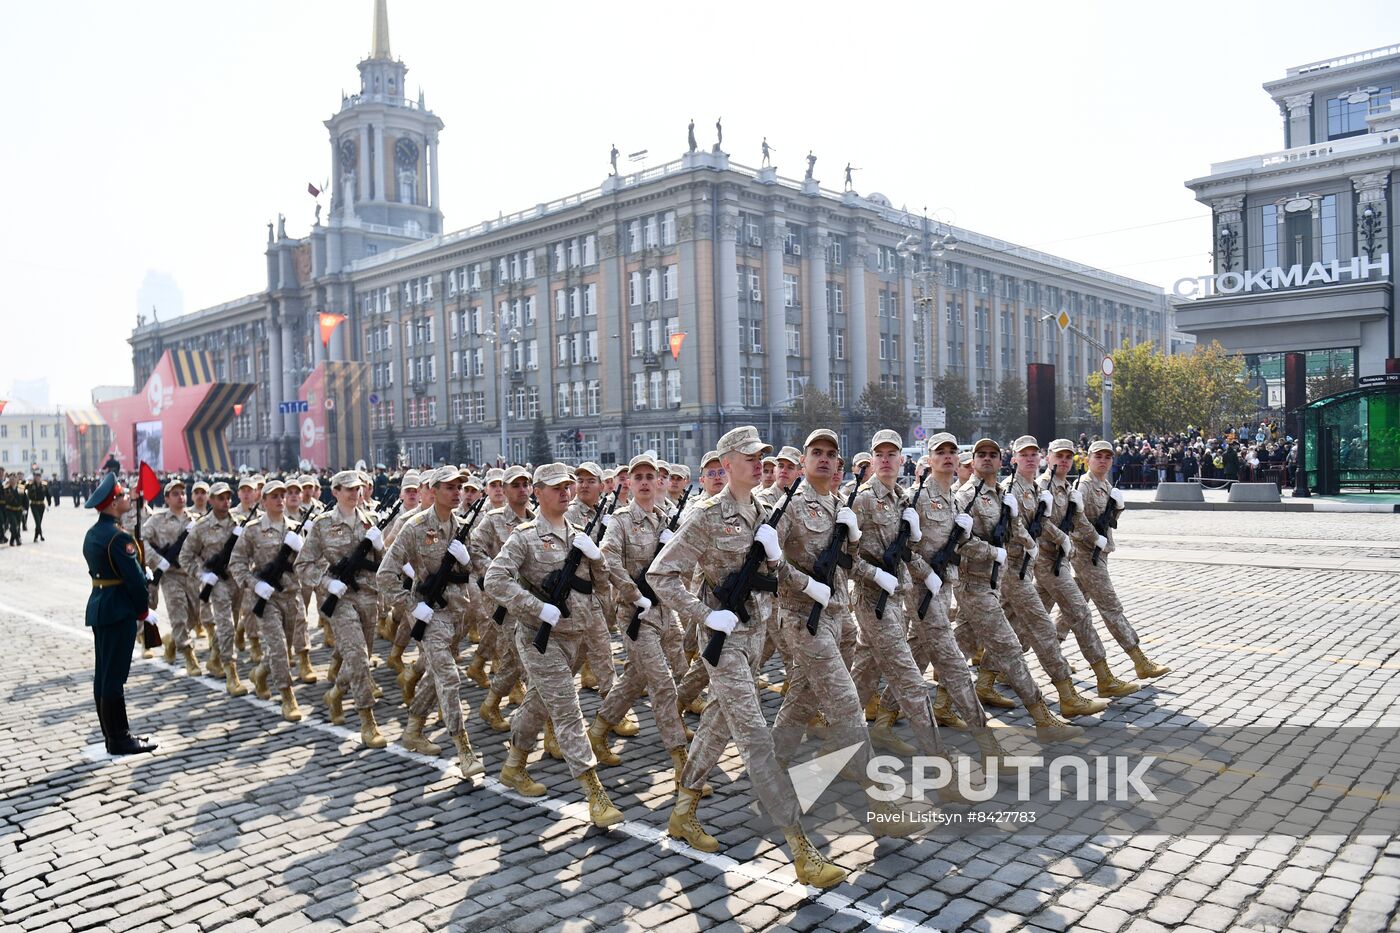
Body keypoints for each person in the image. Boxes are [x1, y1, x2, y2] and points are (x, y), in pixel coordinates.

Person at [648, 426, 846, 888]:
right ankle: (801, 848)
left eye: (763, 457)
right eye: (751, 457)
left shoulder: (762, 511)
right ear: (727, 463)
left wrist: (794, 575)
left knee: (717, 725)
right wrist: (703, 615)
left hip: (755, 635)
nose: (761, 464)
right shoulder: (706, 514)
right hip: (724, 642)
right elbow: (662, 575)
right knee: (755, 738)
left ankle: (683, 812)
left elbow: (769, 571)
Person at [485, 462, 622, 827]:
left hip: (575, 637)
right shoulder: (525, 536)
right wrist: (535, 606)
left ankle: (514, 766)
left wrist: (597, 558)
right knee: (566, 708)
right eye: (555, 487)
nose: (565, 492)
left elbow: (602, 588)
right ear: (538, 492)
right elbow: (494, 580)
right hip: (538, 639)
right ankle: (595, 793)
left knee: (538, 703)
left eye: (567, 486)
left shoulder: (579, 534)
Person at [953, 438, 1082, 742]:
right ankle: (1046, 714)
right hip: (974, 583)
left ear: (1001, 461)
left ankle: (949, 700)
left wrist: (1029, 539)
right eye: (981, 455)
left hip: (997, 581)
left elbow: (1014, 528)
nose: (986, 459)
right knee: (1012, 644)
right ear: (973, 461)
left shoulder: (1001, 494)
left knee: (958, 643)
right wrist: (993, 552)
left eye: (992, 455)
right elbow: (960, 543)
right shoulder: (966, 496)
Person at [380, 466, 484, 778]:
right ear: (434, 490)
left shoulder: (463, 527)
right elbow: (385, 576)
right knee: (450, 677)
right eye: (450, 487)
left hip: (457, 615)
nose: (457, 493)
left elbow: (486, 568)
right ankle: (464, 749)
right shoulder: (413, 527)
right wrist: (412, 605)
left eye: (460, 487)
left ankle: (412, 730)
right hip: (428, 613)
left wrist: (469, 560)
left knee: (435, 675)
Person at [295, 470, 390, 748]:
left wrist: (381, 547)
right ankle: (367, 720)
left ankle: (336, 693)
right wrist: (326, 582)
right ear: (334, 491)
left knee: (361, 656)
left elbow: (381, 565)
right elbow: (303, 565)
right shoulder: (323, 524)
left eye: (357, 489)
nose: (353, 493)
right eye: (347, 489)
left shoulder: (370, 522)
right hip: (341, 599)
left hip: (369, 598)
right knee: (358, 658)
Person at [1071, 441, 1172, 681]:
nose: (1103, 461)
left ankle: (1044, 652)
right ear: (1088, 460)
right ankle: (1139, 659)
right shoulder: (1083, 486)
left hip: (1099, 553)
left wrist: (1118, 508)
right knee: (1111, 607)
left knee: (1071, 610)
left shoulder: (1106, 485)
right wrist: (1095, 538)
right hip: (1086, 554)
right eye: (1098, 457)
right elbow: (1077, 520)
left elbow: (1108, 521)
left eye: (1107, 457)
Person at [83, 473, 158, 755]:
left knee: (103, 674)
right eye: (124, 495)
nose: (128, 498)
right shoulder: (119, 537)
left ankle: (110, 733)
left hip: (101, 605)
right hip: (119, 609)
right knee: (115, 677)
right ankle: (120, 738)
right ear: (114, 504)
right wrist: (143, 610)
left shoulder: (94, 533)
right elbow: (135, 582)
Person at [230, 480, 306, 722]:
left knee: (285, 647)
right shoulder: (252, 530)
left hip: (291, 596)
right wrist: (255, 584)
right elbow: (237, 564)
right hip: (266, 598)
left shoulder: (296, 528)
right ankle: (287, 695)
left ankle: (260, 672)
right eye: (274, 496)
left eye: (282, 495)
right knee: (277, 647)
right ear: (263, 502)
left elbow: (306, 564)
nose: (280, 499)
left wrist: (302, 549)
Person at [181, 483, 249, 696]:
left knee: (233, 623)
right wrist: (202, 575)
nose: (226, 501)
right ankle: (231, 674)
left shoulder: (239, 524)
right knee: (227, 627)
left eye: (228, 497)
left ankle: (213, 659)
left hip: (236, 581)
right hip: (216, 583)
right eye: (220, 498)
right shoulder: (201, 527)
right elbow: (185, 556)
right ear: (210, 500)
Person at [144, 478, 203, 676]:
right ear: (167, 498)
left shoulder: (195, 520)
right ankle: (189, 657)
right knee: (178, 616)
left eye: (183, 493)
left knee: (195, 616)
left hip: (192, 574)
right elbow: (141, 539)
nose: (181, 497)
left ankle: (171, 640)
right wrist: (156, 560)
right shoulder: (157, 520)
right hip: (170, 576)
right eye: (175, 494)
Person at [27, 469, 47, 542]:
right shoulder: (31, 485)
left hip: (41, 506)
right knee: (37, 521)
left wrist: (49, 501)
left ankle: (35, 537)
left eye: (39, 476)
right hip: (34, 505)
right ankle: (41, 535)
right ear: (34, 477)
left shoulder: (44, 485)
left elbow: (47, 493)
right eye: (36, 476)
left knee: (39, 522)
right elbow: (28, 494)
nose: (38, 477)